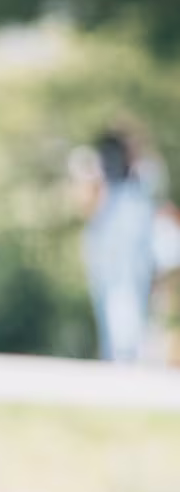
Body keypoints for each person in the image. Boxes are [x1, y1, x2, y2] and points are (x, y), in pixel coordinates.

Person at [77, 128, 164, 363]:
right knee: (113, 316)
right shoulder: (105, 185)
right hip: (109, 261)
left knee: (132, 315)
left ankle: (128, 359)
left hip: (133, 263)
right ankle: (119, 360)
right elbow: (88, 208)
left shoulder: (140, 185)